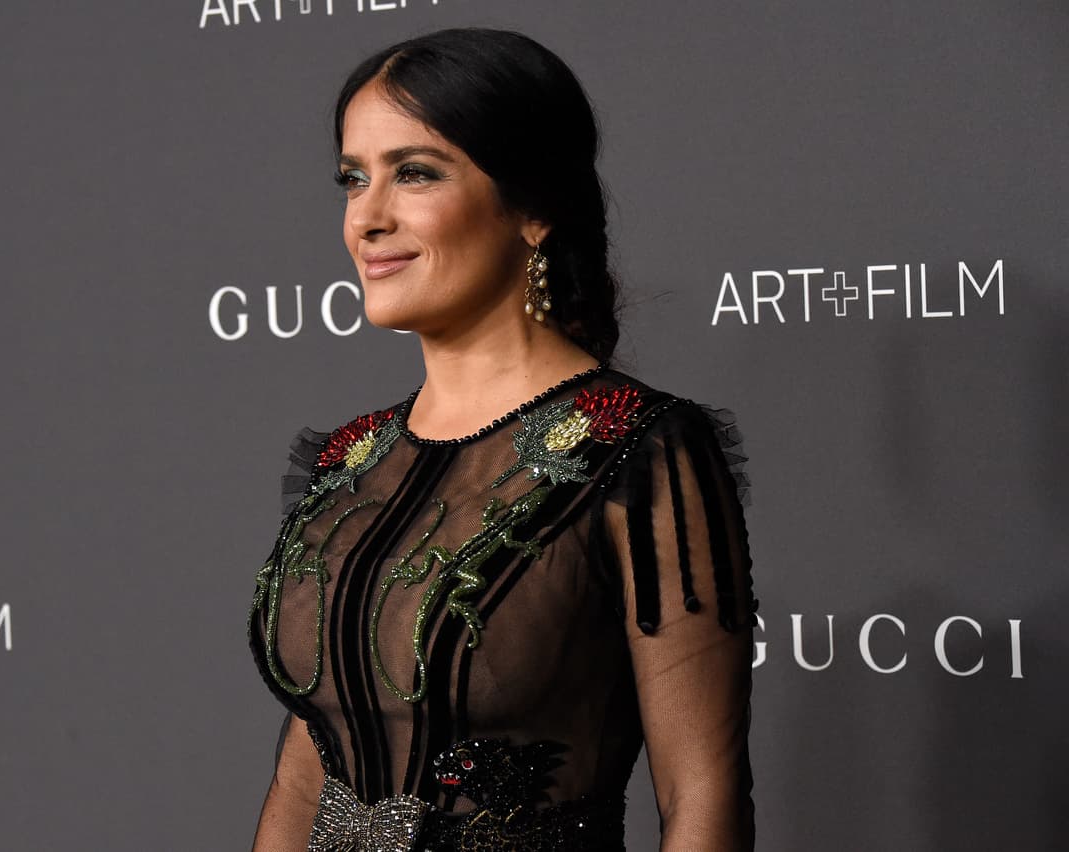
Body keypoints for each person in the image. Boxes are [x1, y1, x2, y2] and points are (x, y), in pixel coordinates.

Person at [247, 27, 758, 851]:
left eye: (415, 173)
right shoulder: (352, 458)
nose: (368, 218)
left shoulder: (636, 452)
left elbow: (703, 789)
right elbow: (306, 771)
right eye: (353, 178)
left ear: (533, 207)